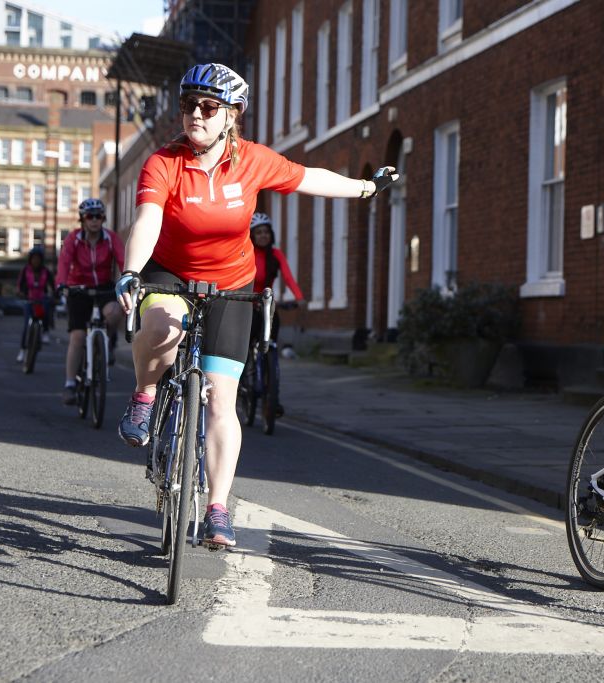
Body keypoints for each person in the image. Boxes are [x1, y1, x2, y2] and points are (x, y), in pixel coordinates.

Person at [115, 63, 398, 548]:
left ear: (232, 115)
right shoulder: (163, 163)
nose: (195, 116)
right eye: (187, 106)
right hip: (169, 271)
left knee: (222, 398)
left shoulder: (251, 161)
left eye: (207, 107)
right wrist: (132, 271)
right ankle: (144, 395)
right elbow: (147, 219)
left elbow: (310, 177)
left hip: (231, 281)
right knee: (161, 328)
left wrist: (367, 187)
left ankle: (218, 508)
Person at [56, 198, 126, 405]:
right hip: (78, 288)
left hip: (104, 288)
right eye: (90, 216)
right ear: (83, 219)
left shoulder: (111, 238)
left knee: (115, 312)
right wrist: (61, 283)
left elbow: (123, 260)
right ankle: (70, 384)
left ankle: (109, 343)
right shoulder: (73, 239)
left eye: (98, 216)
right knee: (77, 337)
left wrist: (129, 278)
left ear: (103, 218)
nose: (94, 220)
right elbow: (64, 262)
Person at [247, 212, 305, 417]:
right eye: (259, 232)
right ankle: (244, 381)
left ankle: (273, 397)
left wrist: (299, 297)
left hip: (267, 306)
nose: (263, 236)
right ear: (252, 235)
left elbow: (288, 277)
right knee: (246, 345)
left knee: (271, 348)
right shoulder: (247, 252)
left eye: (266, 232)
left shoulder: (276, 255)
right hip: (248, 304)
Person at [16, 246, 55, 362]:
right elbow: (19, 284)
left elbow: (53, 285)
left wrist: (55, 295)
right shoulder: (25, 270)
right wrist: (20, 292)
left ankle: (46, 332)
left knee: (47, 310)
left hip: (41, 299)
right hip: (30, 299)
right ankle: (23, 350)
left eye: (38, 258)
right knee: (26, 325)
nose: (36, 261)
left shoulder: (46, 272)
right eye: (34, 258)